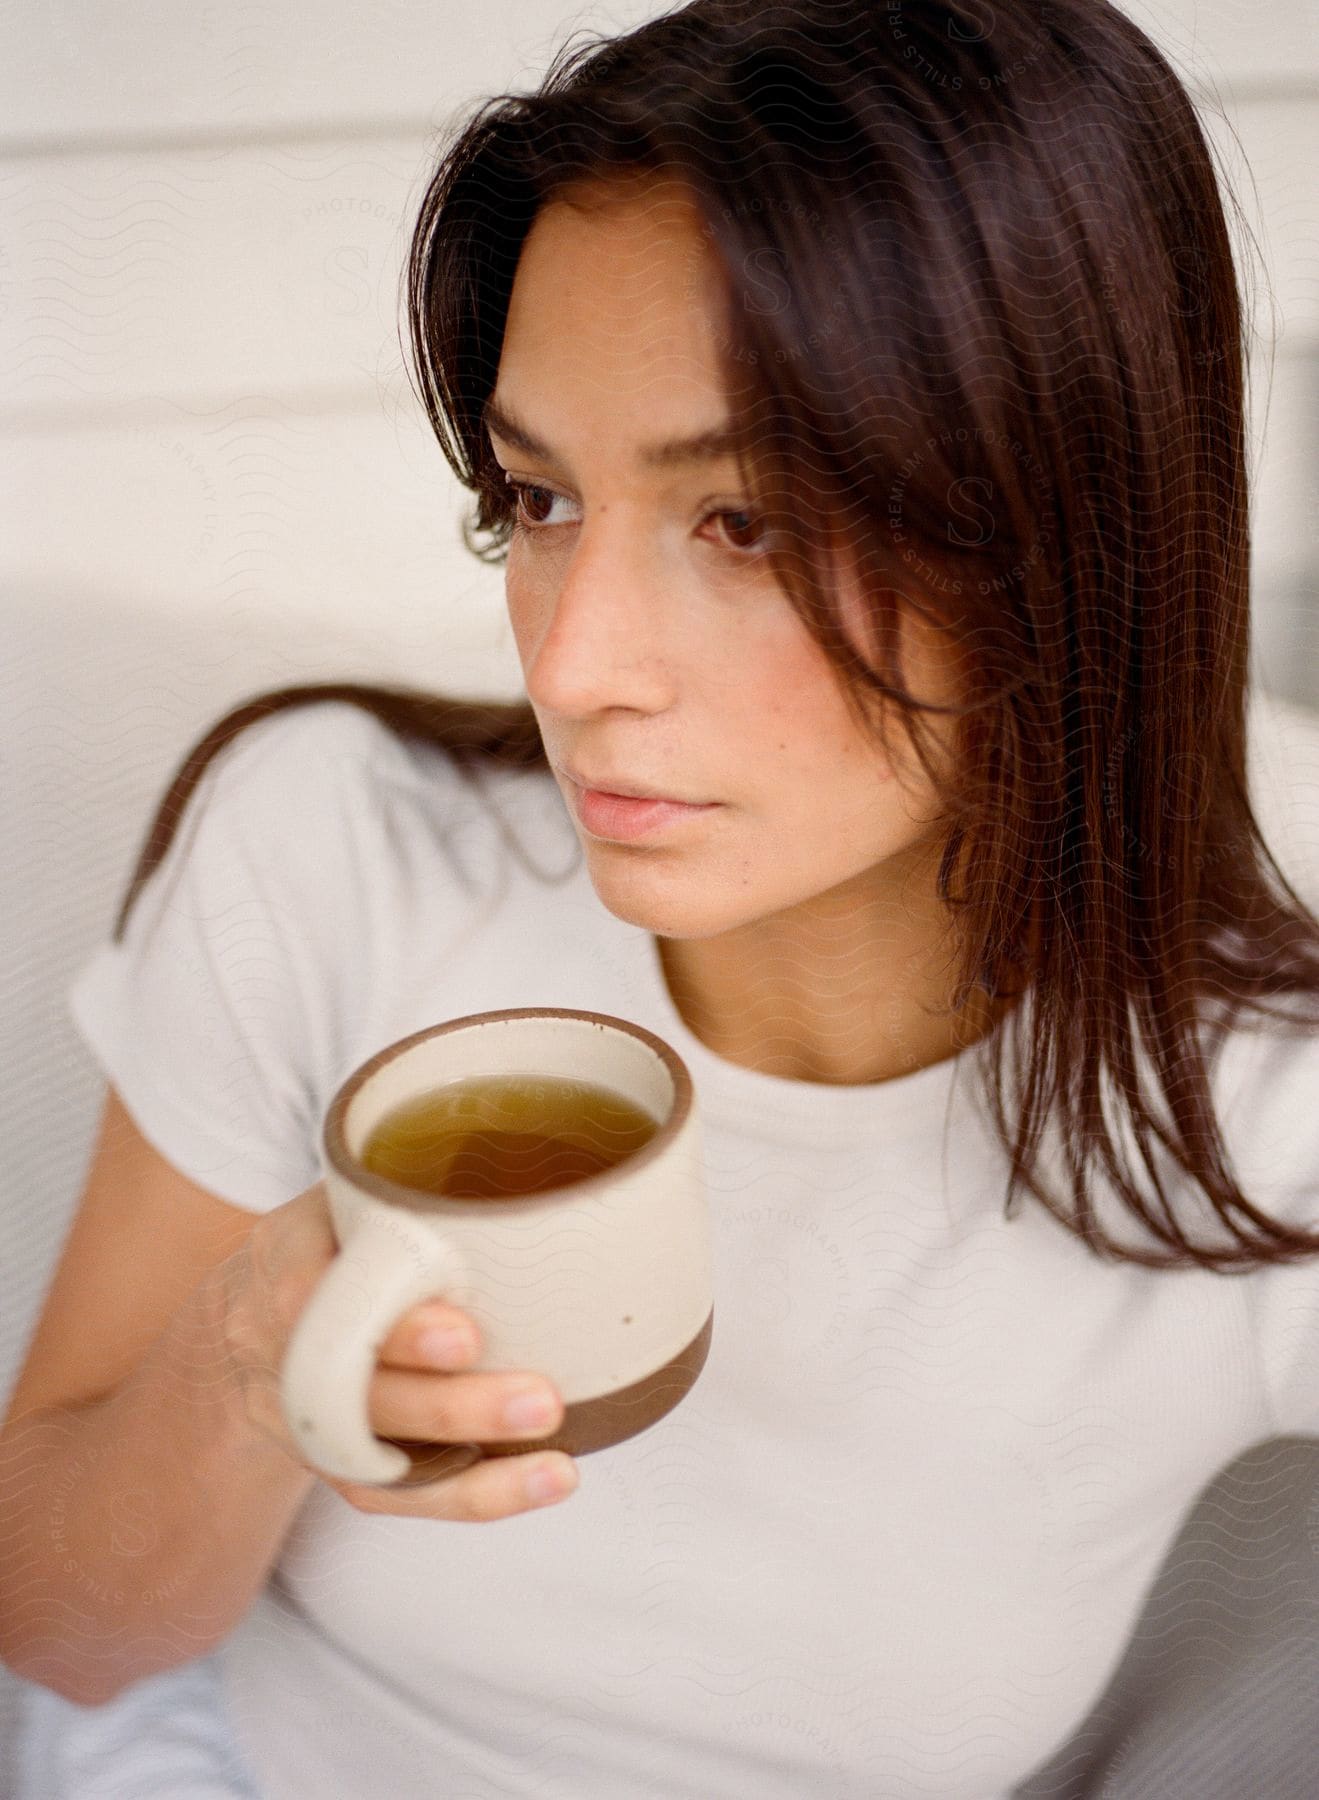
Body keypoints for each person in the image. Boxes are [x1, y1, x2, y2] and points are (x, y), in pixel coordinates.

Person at [5, 1, 1319, 1795]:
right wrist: (247, 1380)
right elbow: (56, 1630)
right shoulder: (338, 850)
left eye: (749, 521)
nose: (575, 659)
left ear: (1064, 528)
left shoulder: (1263, 1111)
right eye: (536, 497)